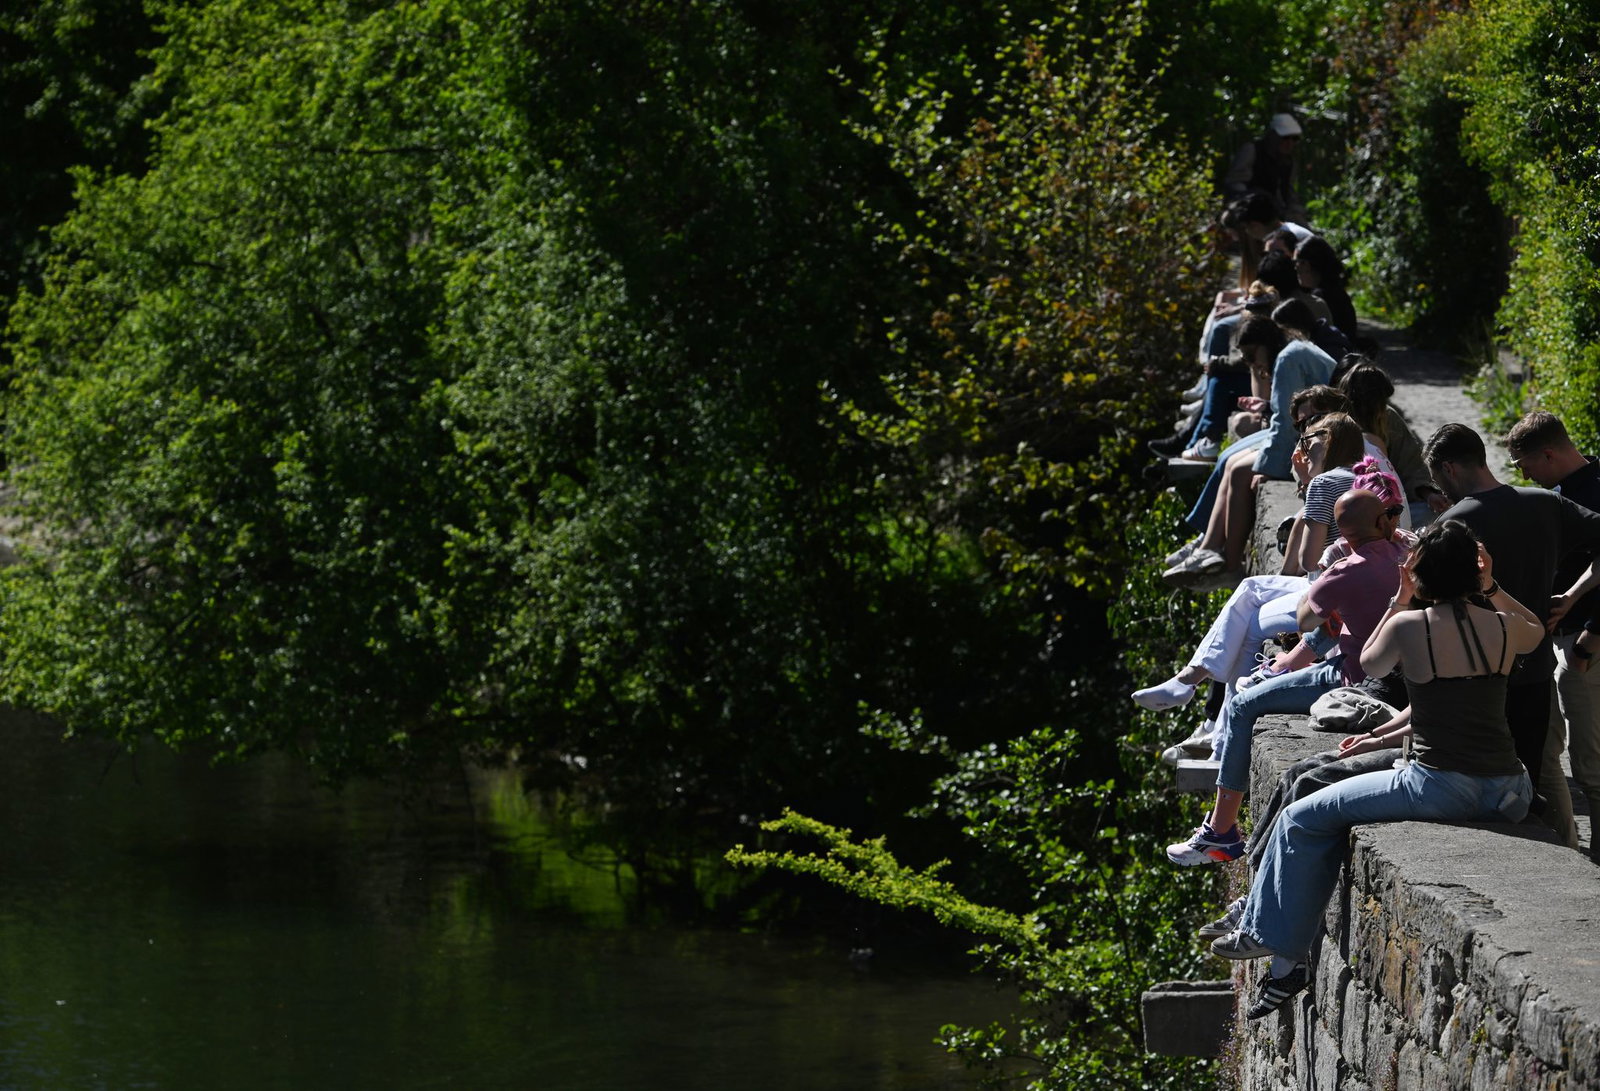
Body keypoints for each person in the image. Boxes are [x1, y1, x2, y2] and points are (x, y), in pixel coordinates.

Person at [1208, 521, 1543, 1018]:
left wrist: (1400, 599)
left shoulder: (1411, 625)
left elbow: (1370, 663)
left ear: (1420, 572)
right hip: (1508, 786)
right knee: (1316, 779)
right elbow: (1535, 631)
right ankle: (1274, 948)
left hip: (1439, 786)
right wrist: (1489, 584)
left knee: (1304, 816)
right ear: (1473, 571)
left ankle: (1274, 944)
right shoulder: (1501, 626)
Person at [1165, 488, 1408, 867]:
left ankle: (1221, 831)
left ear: (1342, 533)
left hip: (1354, 675)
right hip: (1399, 672)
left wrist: (1330, 577)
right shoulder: (1401, 554)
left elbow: (1303, 618)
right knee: (1334, 623)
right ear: (1382, 521)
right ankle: (1278, 668)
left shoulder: (1347, 569)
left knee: (1244, 705)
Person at [1425, 423, 1600, 801]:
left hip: (1478, 676)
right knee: (1538, 775)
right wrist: (1571, 595)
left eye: (1438, 479)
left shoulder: (1452, 523)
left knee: (1494, 788)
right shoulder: (1546, 502)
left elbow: (1426, 603)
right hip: (1536, 667)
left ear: (1450, 469)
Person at [1165, 316, 1335, 586]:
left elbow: (1285, 426)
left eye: (1251, 355)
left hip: (1319, 435)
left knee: (1241, 470)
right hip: (1312, 429)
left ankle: (1229, 564)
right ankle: (1210, 547)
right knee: (1230, 461)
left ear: (1266, 344)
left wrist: (1268, 468)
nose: (1250, 364)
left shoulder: (1288, 359)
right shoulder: (1290, 352)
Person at [1503, 410, 1600, 855]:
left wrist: (1588, 640)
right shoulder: (1564, 491)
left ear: (1548, 453)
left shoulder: (1593, 492)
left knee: (1590, 762)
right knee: (1560, 751)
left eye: (1525, 465)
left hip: (1586, 644)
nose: (1524, 475)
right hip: (1567, 640)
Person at [1223, 114, 1308, 226]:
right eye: (1285, 137)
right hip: (1248, 210)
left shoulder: (1289, 162)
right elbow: (1235, 183)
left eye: (1294, 139)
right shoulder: (1252, 151)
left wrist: (1297, 214)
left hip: (1275, 213)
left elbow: (1288, 192)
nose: (1290, 143)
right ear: (1273, 135)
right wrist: (1254, 199)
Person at [1293, 235, 1357, 339]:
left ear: (1307, 264)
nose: (1295, 267)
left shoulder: (1320, 298)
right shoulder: (1336, 291)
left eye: (1297, 262)